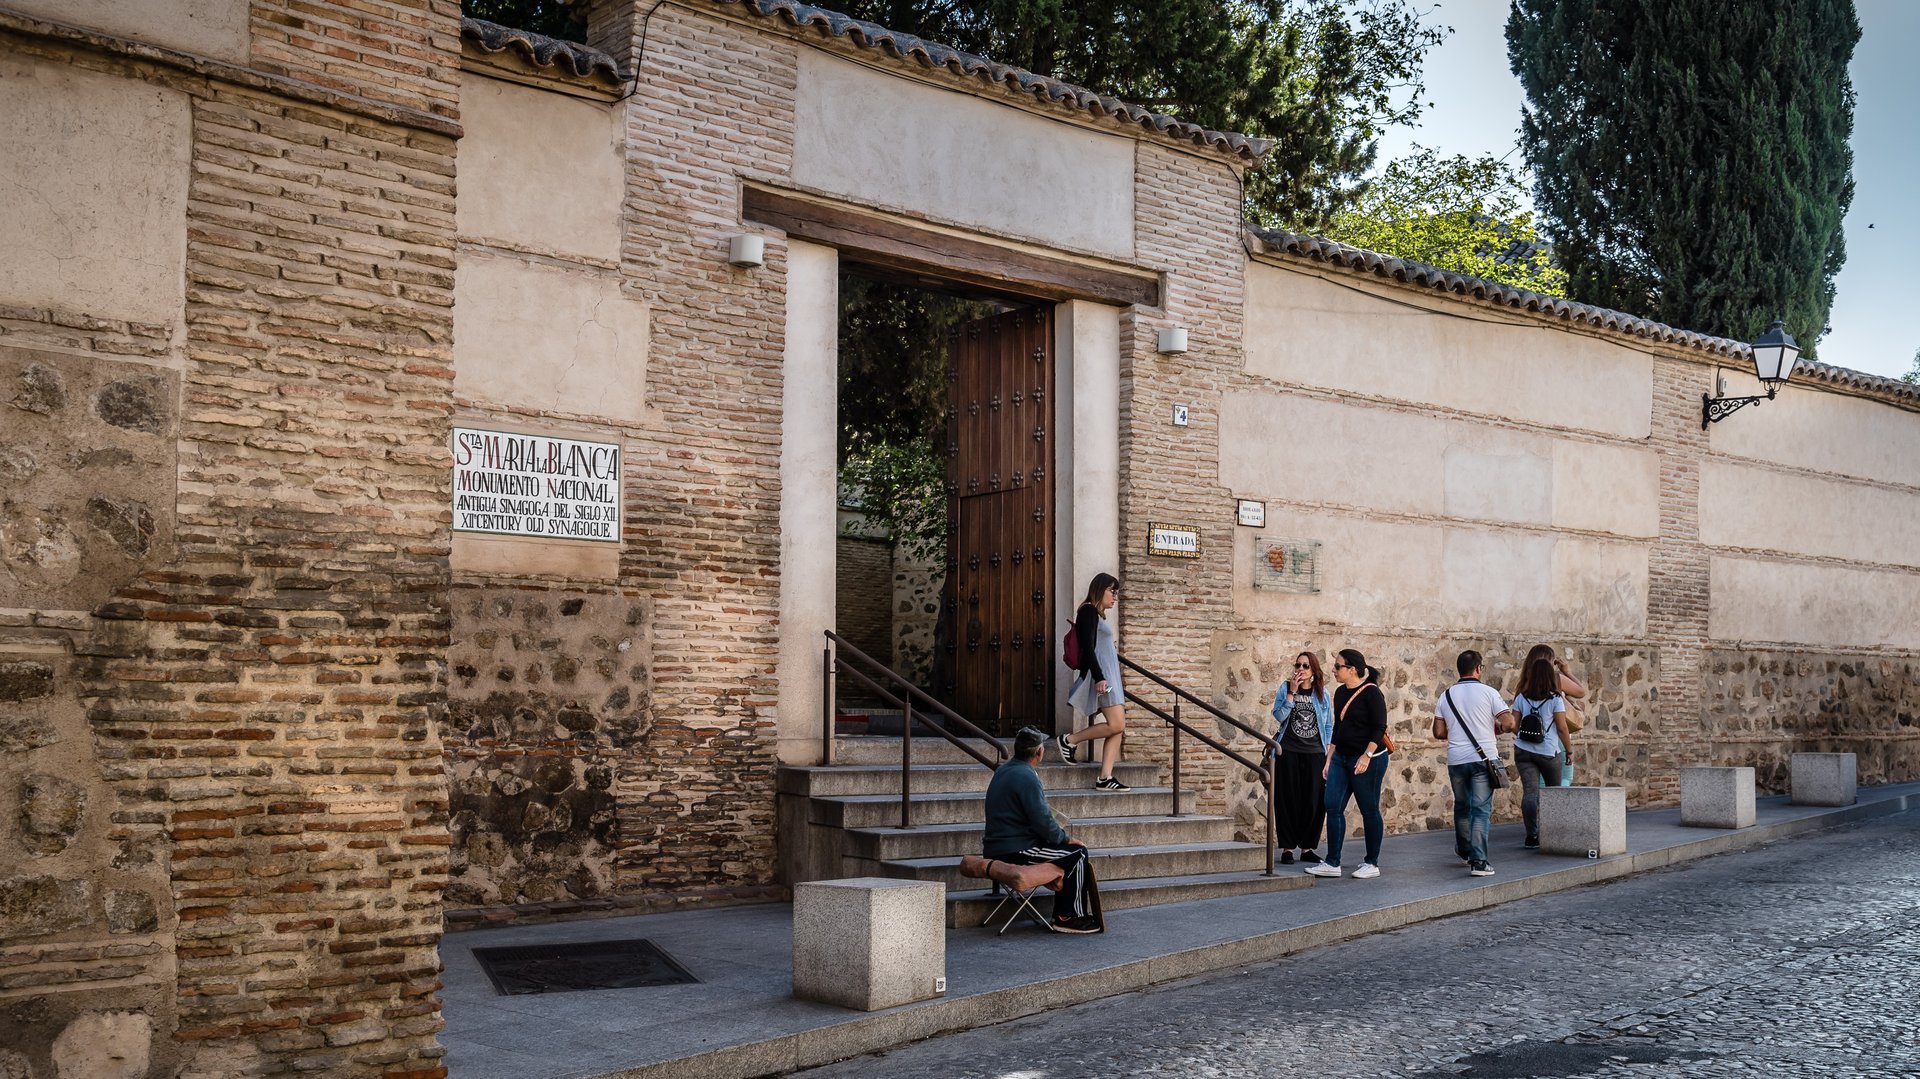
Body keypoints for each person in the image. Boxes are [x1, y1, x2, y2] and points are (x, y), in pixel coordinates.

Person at [985, 726, 1101, 933]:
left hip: (998, 845)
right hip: (1015, 848)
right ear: (1040, 752)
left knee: (1069, 852)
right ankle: (1068, 917)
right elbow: (1041, 819)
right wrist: (1064, 838)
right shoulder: (1027, 776)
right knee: (1078, 853)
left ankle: (1068, 913)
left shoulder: (1004, 770)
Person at [1304, 649, 1388, 880]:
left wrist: (1366, 757)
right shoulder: (1340, 693)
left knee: (1369, 809)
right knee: (1332, 805)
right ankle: (1333, 862)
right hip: (1341, 758)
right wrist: (1329, 759)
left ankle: (1372, 862)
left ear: (1352, 669)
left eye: (1337, 666)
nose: (1333, 670)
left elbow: (1379, 728)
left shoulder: (1372, 693)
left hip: (1368, 759)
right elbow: (1338, 729)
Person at [1433, 650, 1517, 877]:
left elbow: (1439, 732)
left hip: (1456, 760)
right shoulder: (1489, 693)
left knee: (1462, 807)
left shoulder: (1445, 696)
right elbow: (1509, 723)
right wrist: (1497, 727)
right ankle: (1479, 862)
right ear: (1479, 668)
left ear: (1459, 669)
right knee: (1480, 811)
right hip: (1483, 759)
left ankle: (1464, 850)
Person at [1059, 572, 1129, 790]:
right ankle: (1069, 740)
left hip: (1110, 676)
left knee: (1118, 727)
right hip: (1103, 676)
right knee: (1117, 724)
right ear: (1100, 589)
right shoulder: (1088, 611)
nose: (1115, 597)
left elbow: (1097, 644)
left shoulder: (1096, 616)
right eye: (1112, 591)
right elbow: (1088, 648)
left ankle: (1105, 778)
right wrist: (1099, 677)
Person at [1270, 651, 1331, 865]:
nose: (1301, 669)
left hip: (1315, 754)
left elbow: (1328, 725)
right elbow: (1278, 716)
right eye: (1298, 665)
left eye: (1306, 666)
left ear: (1314, 670)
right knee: (1287, 800)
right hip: (1288, 752)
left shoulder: (1322, 693)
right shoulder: (1285, 688)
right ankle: (1287, 848)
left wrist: (1328, 755)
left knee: (1314, 802)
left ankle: (1307, 849)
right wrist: (1291, 694)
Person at [1511, 654, 1572, 848]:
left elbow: (1514, 726)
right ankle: (1553, 834)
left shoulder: (1521, 697)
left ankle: (1532, 836)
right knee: (1554, 793)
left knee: (1530, 792)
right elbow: (1562, 728)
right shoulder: (1555, 699)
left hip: (1523, 750)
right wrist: (1569, 751)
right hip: (1548, 752)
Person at [1522, 644, 1587, 787]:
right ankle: (1555, 808)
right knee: (1564, 778)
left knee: (1540, 783)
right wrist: (1567, 671)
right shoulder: (1556, 679)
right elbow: (1581, 692)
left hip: (1531, 738)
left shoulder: (1524, 683)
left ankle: (1542, 808)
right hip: (1557, 738)